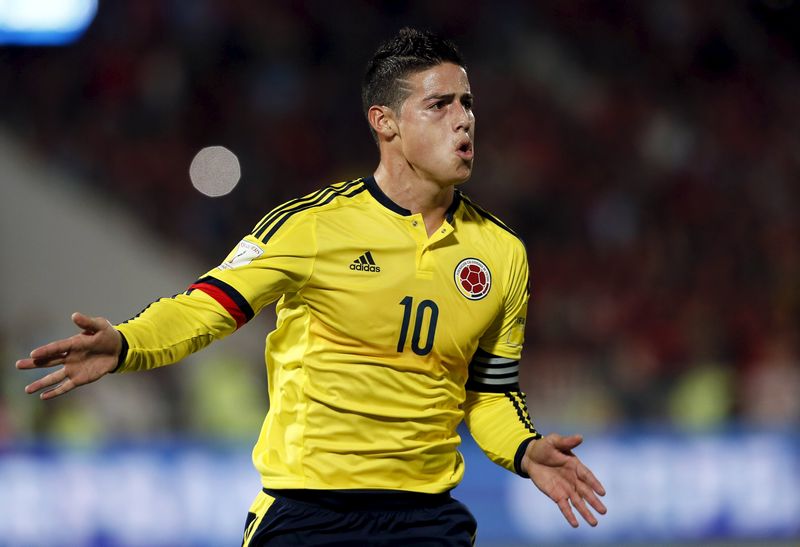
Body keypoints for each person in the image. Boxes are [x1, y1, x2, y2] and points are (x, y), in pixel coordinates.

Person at [16, 28, 606, 545]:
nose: (464, 119)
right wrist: (127, 344)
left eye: (468, 103)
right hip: (308, 515)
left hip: (427, 519)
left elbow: (492, 394)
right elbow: (206, 307)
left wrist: (525, 451)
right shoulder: (314, 226)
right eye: (440, 104)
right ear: (386, 123)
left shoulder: (502, 253)